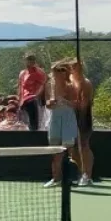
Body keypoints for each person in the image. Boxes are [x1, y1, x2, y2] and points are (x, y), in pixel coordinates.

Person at [44, 60, 79, 188]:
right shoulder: (49, 85)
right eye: (56, 71)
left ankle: (70, 178)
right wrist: (50, 103)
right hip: (55, 119)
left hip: (68, 118)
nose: (59, 73)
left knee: (69, 151)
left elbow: (76, 104)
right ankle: (56, 178)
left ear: (66, 72)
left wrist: (65, 101)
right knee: (55, 150)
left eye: (62, 70)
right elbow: (47, 104)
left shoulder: (72, 85)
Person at [71, 58, 94, 187]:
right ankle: (79, 173)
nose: (76, 68)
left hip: (84, 118)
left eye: (78, 66)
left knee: (84, 146)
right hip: (71, 117)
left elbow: (84, 104)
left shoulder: (86, 83)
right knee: (73, 148)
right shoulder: (70, 80)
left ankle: (87, 175)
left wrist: (77, 110)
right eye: (74, 66)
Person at [17, 53, 47, 132]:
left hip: (33, 99)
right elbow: (20, 87)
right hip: (24, 100)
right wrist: (19, 100)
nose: (31, 61)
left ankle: (34, 137)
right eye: (29, 59)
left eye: (32, 59)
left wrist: (36, 96)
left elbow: (43, 85)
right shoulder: (22, 73)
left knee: (34, 122)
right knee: (23, 121)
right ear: (25, 61)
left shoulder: (39, 72)